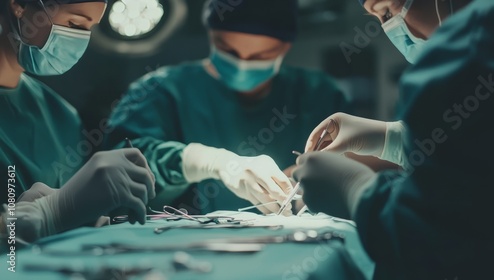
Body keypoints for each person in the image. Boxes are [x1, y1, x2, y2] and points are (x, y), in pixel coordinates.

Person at [294, 0, 494, 279]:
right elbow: (479, 158)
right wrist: (389, 138)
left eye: (388, 11)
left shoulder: (478, 46)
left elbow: (429, 237)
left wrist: (358, 191)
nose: (390, 29)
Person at [104, 0, 353, 215]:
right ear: (212, 35)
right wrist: (207, 161)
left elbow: (355, 165)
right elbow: (117, 165)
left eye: (259, 56)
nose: (243, 64)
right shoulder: (161, 91)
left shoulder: (318, 94)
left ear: (285, 47)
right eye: (228, 50)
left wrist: (318, 183)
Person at [1, 0, 155, 245]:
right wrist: (48, 215)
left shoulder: (60, 115)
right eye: (74, 23)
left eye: (89, 29)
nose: (80, 40)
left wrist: (82, 214)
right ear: (18, 5)